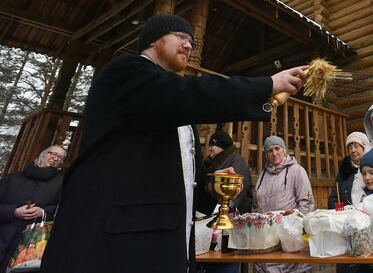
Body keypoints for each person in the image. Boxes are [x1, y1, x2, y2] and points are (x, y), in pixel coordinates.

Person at [40, 14, 307, 273]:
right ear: (153, 40)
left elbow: (179, 173)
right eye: (180, 36)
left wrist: (210, 185)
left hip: (166, 243)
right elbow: (189, 93)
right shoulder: (125, 72)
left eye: (191, 40)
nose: (189, 45)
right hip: (113, 243)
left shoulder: (174, 105)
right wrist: (266, 85)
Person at [0, 145, 65, 272]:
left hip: (29, 251)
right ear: (42, 154)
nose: (56, 158)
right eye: (53, 154)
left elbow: (64, 209)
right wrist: (13, 211)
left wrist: (44, 212)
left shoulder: (61, 184)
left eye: (61, 157)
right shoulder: (13, 178)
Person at [253, 136, 313, 273]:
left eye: (277, 148)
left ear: (284, 150)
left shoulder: (297, 171)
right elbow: (256, 206)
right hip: (266, 239)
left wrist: (297, 232)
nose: (274, 153)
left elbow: (306, 202)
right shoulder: (262, 175)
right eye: (269, 150)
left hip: (289, 238)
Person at [202, 130, 252, 273]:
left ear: (223, 147)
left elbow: (234, 198)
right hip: (214, 228)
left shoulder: (235, 164)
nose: (210, 148)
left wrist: (209, 187)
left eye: (213, 145)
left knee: (225, 265)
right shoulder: (215, 162)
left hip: (228, 230)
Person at [327, 132, 368, 209]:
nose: (353, 150)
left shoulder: (371, 167)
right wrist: (341, 211)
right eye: (350, 147)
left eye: (356, 146)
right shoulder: (344, 169)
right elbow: (334, 198)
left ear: (364, 148)